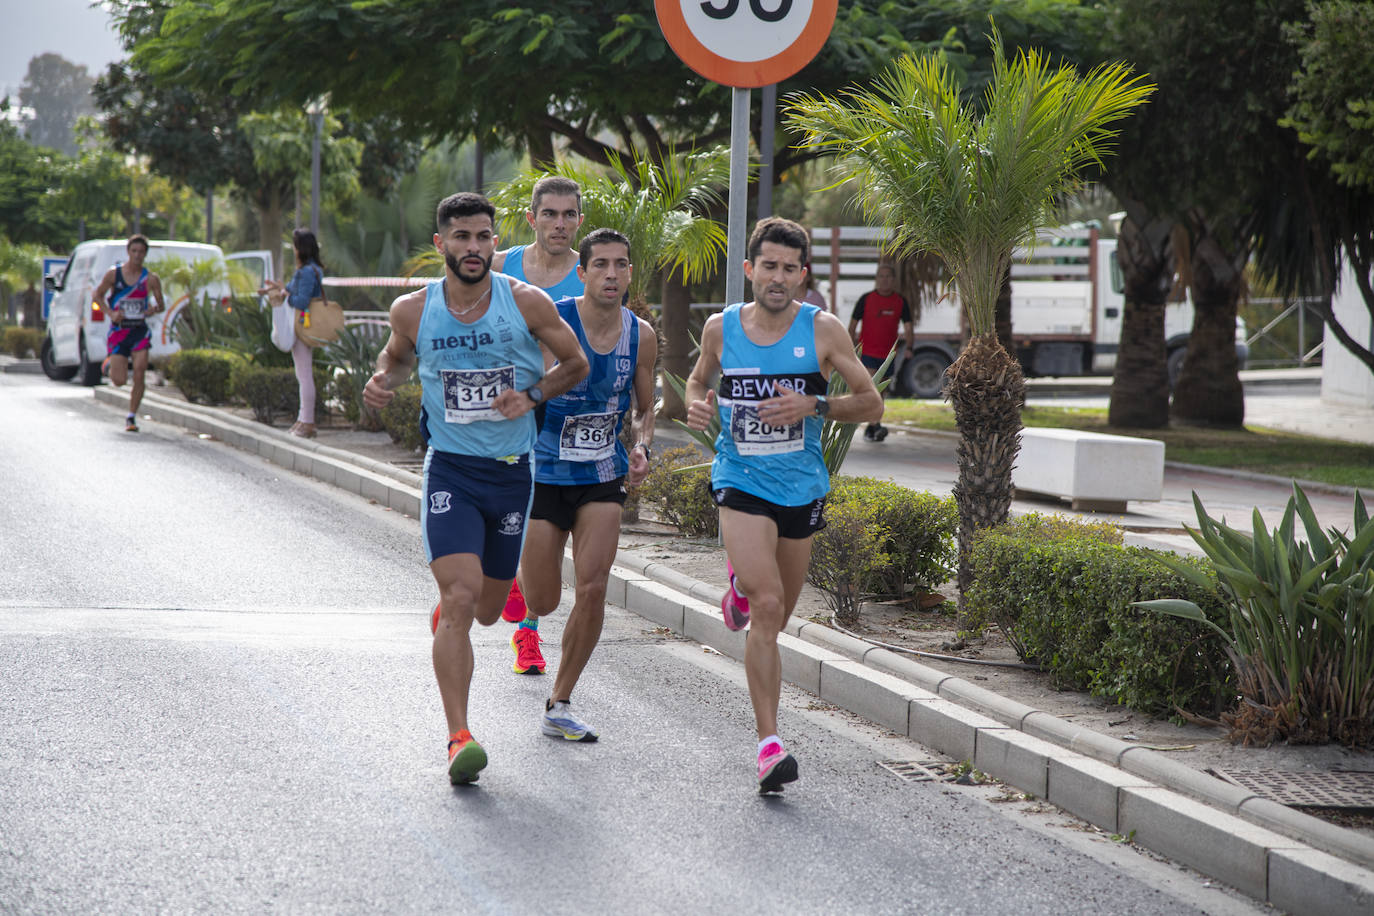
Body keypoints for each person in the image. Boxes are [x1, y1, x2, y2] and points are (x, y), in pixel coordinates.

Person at [362, 192, 589, 785]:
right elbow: (396, 358)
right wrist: (383, 381)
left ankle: (470, 596)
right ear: (441, 244)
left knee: (488, 609)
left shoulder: (526, 303)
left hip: (512, 472)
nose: (473, 248)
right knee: (462, 602)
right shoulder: (414, 311)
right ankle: (458, 736)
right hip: (451, 471)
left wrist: (532, 396)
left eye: (483, 237)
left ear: (495, 242)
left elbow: (575, 364)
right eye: (461, 237)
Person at [685, 217, 883, 793]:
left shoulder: (822, 332)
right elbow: (698, 384)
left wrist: (814, 407)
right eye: (767, 266)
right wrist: (698, 406)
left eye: (789, 269)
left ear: (803, 275)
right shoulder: (722, 329)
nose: (777, 277)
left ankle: (741, 588)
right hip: (741, 477)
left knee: (777, 613)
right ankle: (769, 744)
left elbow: (871, 403)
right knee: (769, 606)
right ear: (749, 270)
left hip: (801, 487)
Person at [515, 228, 656, 743]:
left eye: (621, 265)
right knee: (545, 599)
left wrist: (642, 446)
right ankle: (521, 584)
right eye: (601, 265)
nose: (612, 275)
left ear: (630, 274)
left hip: (602, 473)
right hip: (544, 470)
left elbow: (644, 409)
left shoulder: (641, 334)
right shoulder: (554, 319)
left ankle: (561, 701)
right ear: (583, 271)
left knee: (594, 587)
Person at [488, 176, 587, 673]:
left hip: (559, 409)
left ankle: (527, 634)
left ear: (580, 222)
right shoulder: (501, 265)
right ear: (532, 218)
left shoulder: (588, 275)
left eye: (569, 215)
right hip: (500, 406)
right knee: (501, 506)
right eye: (550, 214)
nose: (560, 224)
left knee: (541, 524)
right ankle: (503, 575)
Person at [92, 234, 166, 432]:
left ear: (145, 254)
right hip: (119, 332)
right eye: (134, 251)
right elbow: (97, 295)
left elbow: (161, 305)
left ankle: (131, 416)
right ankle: (109, 363)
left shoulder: (151, 279)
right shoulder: (113, 275)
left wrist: (153, 309)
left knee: (140, 370)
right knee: (119, 381)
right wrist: (110, 312)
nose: (137, 255)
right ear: (128, 252)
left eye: (141, 252)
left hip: (139, 331)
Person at [261, 229, 326, 438]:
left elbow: (301, 300)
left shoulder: (306, 272)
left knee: (304, 374)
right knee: (303, 374)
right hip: (303, 324)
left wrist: (285, 296)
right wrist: (283, 288)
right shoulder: (313, 269)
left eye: (295, 246)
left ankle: (307, 422)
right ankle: (303, 419)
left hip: (301, 324)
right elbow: (294, 291)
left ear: (301, 249)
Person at [847, 263, 913, 441]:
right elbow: (852, 325)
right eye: (881, 276)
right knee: (870, 389)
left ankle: (872, 426)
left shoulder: (900, 301)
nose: (885, 280)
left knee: (880, 393)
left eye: (888, 276)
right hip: (867, 353)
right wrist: (849, 348)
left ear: (893, 280)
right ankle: (873, 425)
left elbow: (908, 326)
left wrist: (909, 347)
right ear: (877, 279)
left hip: (888, 356)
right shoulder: (866, 299)